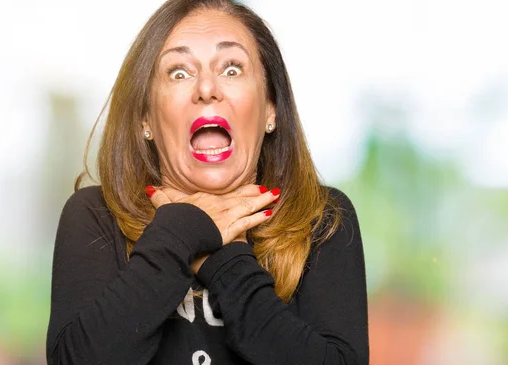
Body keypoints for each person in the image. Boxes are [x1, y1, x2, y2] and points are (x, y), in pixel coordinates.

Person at [46, 0, 369, 364]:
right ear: (145, 119)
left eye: (231, 69)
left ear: (270, 109)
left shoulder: (321, 220)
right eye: (179, 73)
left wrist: (226, 262)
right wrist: (179, 235)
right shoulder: (95, 215)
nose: (206, 88)